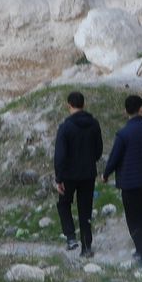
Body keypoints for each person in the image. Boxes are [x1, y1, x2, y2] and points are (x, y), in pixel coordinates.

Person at [102, 95, 142, 268]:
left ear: (125, 111)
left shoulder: (123, 134)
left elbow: (114, 158)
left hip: (130, 183)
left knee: (133, 219)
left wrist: (106, 174)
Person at [53, 90, 103, 258]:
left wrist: (59, 178)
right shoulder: (94, 124)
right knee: (85, 210)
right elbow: (99, 150)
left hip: (68, 175)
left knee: (64, 204)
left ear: (69, 105)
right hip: (88, 174)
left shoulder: (65, 127)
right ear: (84, 104)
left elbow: (60, 155)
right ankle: (86, 247)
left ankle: (70, 237)